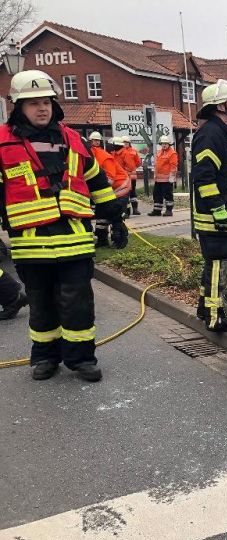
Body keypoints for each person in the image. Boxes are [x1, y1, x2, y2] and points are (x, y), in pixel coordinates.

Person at [0, 70, 121, 381]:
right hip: (31, 242)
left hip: (75, 240)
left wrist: (116, 218)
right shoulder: (2, 145)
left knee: (78, 303)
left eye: (46, 102)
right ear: (18, 107)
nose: (42, 108)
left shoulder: (74, 140)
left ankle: (81, 359)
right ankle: (45, 357)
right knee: (41, 304)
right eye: (33, 104)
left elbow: (97, 181)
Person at [191, 80, 227, 331]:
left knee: (215, 264)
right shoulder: (211, 135)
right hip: (215, 217)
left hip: (223, 215)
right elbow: (204, 176)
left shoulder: (222, 135)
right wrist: (218, 209)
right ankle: (217, 316)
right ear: (221, 106)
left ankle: (205, 309)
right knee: (218, 264)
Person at [88, 131, 130, 248]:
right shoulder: (93, 157)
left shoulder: (104, 158)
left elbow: (110, 179)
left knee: (115, 214)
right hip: (105, 190)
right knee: (101, 215)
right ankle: (102, 240)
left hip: (120, 188)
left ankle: (119, 240)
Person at [149, 136, 178, 217]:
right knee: (157, 194)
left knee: (167, 194)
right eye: (162, 144)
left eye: (165, 144)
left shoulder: (172, 153)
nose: (164, 145)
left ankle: (169, 210)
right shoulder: (159, 152)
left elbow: (173, 165)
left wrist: (172, 177)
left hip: (167, 179)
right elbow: (157, 164)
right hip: (158, 179)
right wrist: (155, 174)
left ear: (169, 144)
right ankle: (157, 210)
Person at [114, 135, 141, 215]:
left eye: (126, 142)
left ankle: (135, 209)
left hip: (131, 176)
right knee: (125, 194)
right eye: (124, 142)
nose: (125, 144)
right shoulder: (119, 152)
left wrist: (130, 168)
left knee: (132, 193)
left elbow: (138, 162)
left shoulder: (133, 151)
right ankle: (127, 211)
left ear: (129, 143)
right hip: (124, 177)